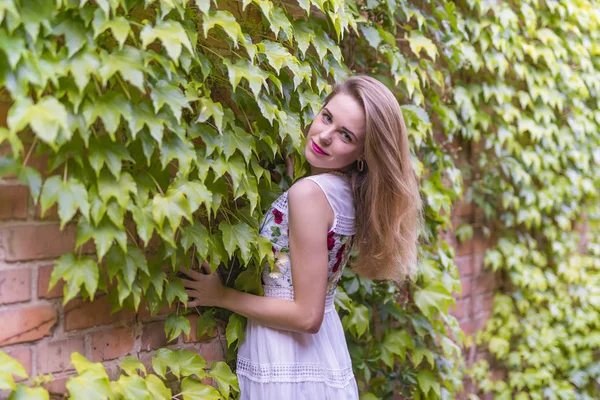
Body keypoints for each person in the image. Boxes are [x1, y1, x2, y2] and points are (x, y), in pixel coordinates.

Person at [180, 75, 422, 399]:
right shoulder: (348, 194)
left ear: (363, 153)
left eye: (345, 136)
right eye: (326, 117)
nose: (323, 136)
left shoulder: (309, 193)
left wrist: (221, 297)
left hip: (287, 351)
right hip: (320, 353)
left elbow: (307, 316)